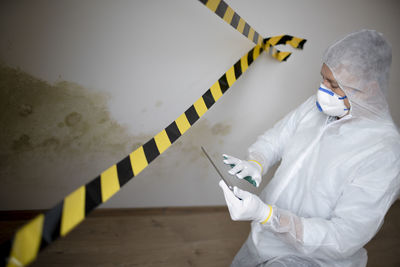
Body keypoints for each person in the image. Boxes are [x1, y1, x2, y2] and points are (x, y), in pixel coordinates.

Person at [218, 29, 400, 267]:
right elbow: (276, 138)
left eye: (334, 84)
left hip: (312, 259)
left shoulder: (384, 152)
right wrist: (257, 162)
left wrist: (268, 216)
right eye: (323, 78)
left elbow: (344, 237)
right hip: (263, 238)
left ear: (371, 88)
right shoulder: (315, 108)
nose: (322, 89)